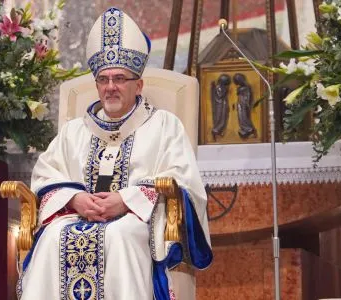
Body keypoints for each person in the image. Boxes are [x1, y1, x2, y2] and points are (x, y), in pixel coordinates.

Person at [17, 7, 212, 300]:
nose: (110, 87)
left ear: (139, 84)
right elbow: (45, 175)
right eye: (103, 80)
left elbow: (182, 180)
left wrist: (126, 200)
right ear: (96, 84)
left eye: (120, 78)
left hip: (138, 221)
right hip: (75, 217)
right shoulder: (74, 131)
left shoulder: (164, 125)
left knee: (119, 236)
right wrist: (75, 199)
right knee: (53, 238)